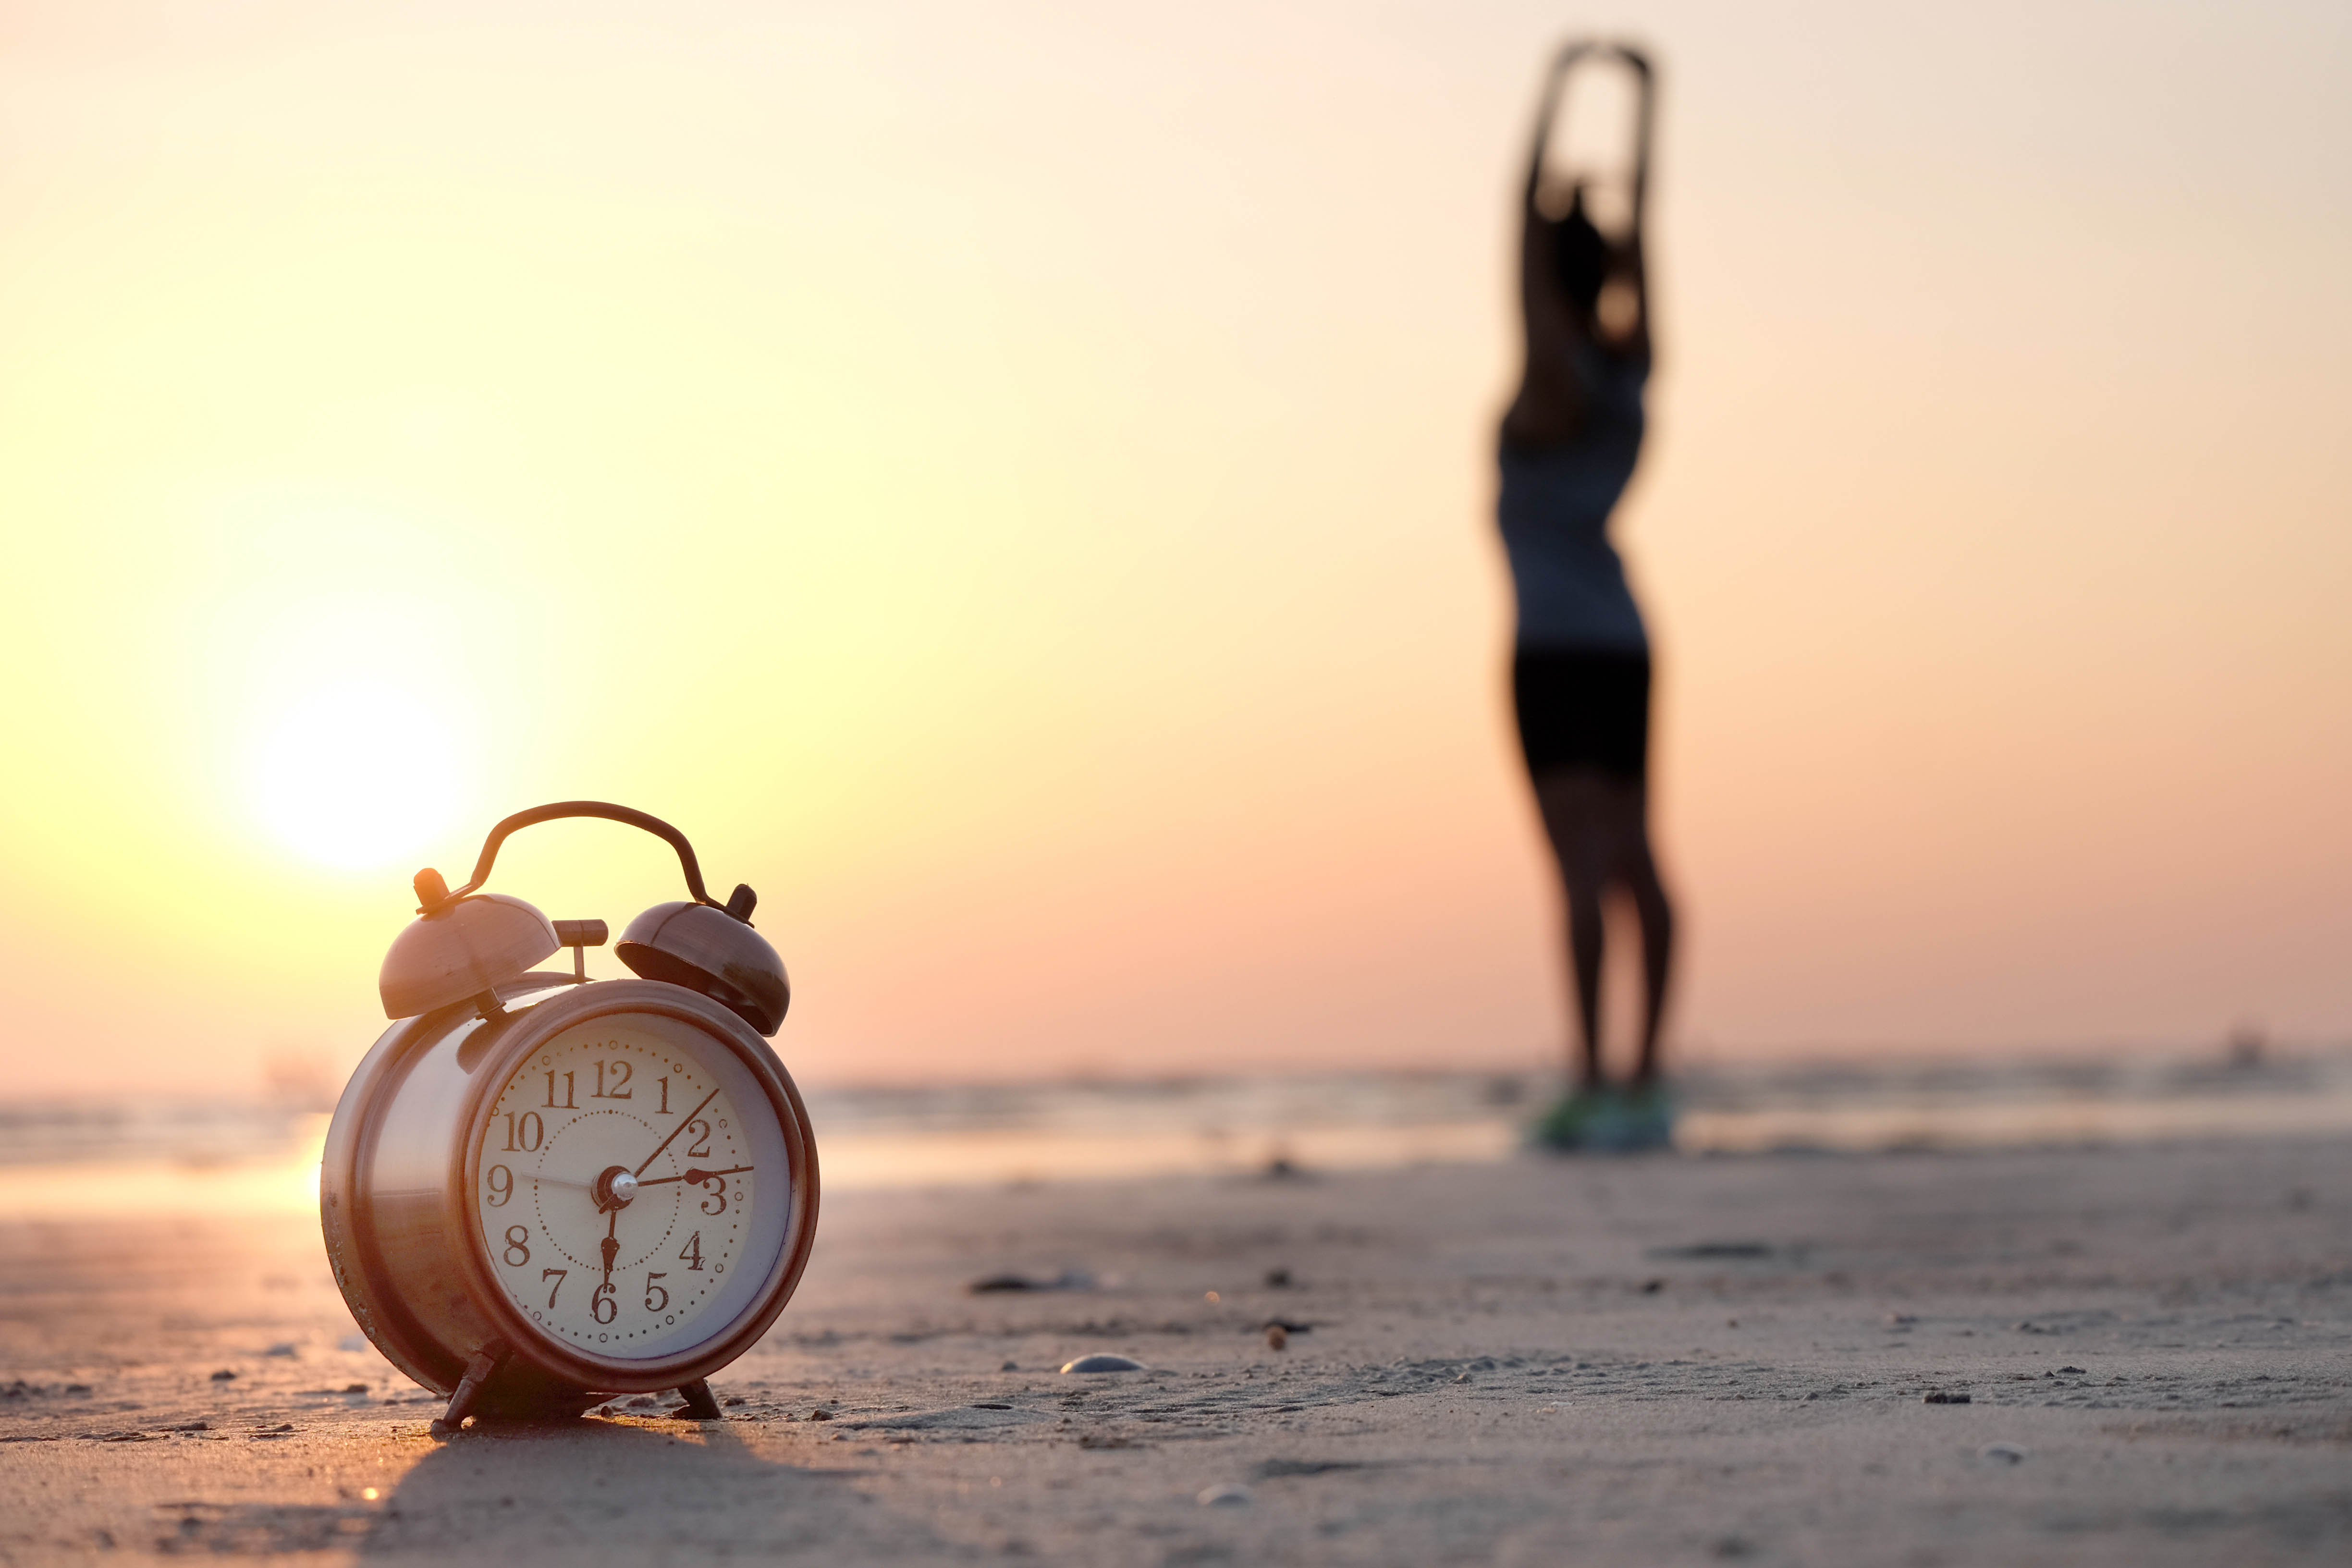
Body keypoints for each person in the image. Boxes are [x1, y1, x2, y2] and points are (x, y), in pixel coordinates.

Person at [1497, 50, 1675, 1151]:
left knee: (1577, 868)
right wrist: (1643, 107)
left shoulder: (1550, 372)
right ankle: (1646, 1081)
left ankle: (1593, 1079)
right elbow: (1641, 230)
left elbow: (1519, 228)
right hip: (1624, 641)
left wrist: (1559, 89)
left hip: (1554, 650)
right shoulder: (1628, 368)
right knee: (1638, 857)